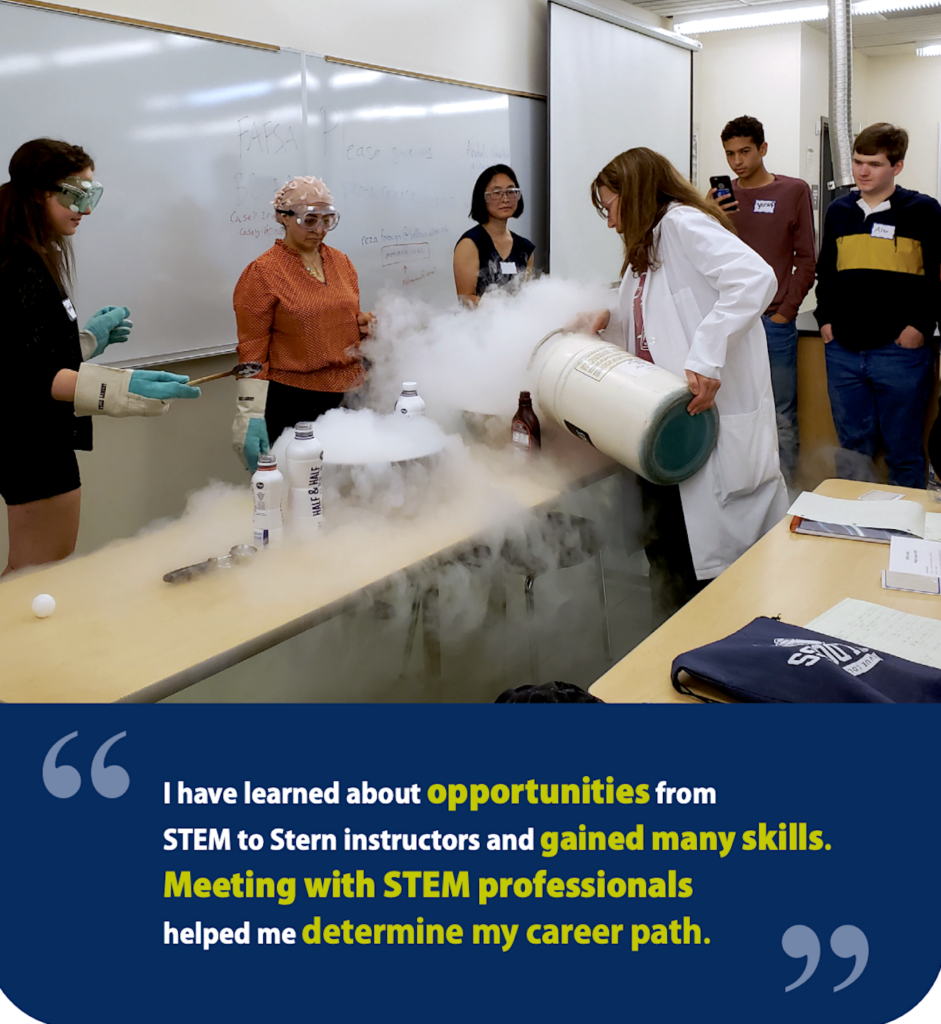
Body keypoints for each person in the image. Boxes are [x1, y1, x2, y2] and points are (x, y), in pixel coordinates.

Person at [574, 147, 787, 625]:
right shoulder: (645, 248)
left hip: (704, 428)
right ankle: (672, 664)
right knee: (669, 563)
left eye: (610, 208)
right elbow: (651, 324)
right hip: (667, 431)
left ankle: (706, 672)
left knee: (708, 582)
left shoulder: (682, 224)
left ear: (635, 193)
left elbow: (756, 279)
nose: (610, 223)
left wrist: (707, 356)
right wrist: (605, 319)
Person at [0, 138, 200, 575]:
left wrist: (88, 341)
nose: (85, 209)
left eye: (93, 194)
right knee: (36, 572)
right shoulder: (19, 267)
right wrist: (123, 387)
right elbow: (27, 376)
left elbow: (27, 350)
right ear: (39, 192)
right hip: (30, 438)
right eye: (75, 194)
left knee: (39, 569)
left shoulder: (31, 256)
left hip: (33, 435)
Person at [815, 123, 941, 489]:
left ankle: (905, 539)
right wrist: (826, 319)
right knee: (853, 450)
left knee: (904, 451)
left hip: (899, 352)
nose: (862, 171)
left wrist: (919, 325)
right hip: (844, 352)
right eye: (857, 161)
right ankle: (855, 530)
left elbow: (936, 277)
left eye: (874, 163)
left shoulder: (923, 211)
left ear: (897, 167)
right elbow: (827, 272)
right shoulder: (839, 211)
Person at [232, 176, 375, 472]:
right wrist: (249, 415)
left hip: (350, 394)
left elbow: (344, 318)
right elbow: (252, 351)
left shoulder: (342, 263)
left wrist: (364, 326)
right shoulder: (262, 273)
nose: (320, 230)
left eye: (327, 220)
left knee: (351, 486)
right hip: (295, 400)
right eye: (310, 220)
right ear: (283, 218)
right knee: (303, 490)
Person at [710, 115, 816, 487]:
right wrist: (709, 215)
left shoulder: (793, 191)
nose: (737, 162)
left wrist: (787, 311)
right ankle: (744, 487)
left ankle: (784, 493)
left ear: (763, 149)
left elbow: (806, 258)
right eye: (729, 154)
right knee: (734, 409)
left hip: (773, 322)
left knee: (781, 413)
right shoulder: (718, 199)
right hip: (730, 320)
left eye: (744, 152)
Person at [453, 164, 534, 306]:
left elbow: (525, 296)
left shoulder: (525, 248)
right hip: (478, 326)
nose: (505, 199)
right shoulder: (470, 244)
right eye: (496, 193)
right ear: (482, 198)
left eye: (511, 192)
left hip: (518, 324)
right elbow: (465, 299)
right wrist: (499, 308)